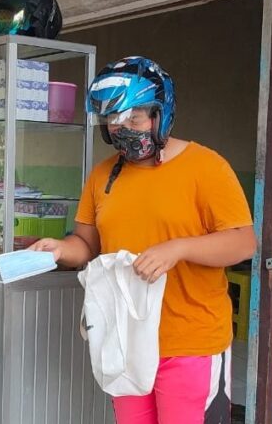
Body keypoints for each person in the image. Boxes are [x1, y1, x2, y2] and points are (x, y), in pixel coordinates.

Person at [30, 56, 256, 423]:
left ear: (160, 114)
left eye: (133, 119)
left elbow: (243, 242)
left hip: (189, 341)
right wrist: (59, 250)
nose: (123, 130)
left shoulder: (207, 167)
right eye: (113, 120)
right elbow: (86, 245)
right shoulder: (103, 175)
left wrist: (178, 248)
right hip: (126, 340)